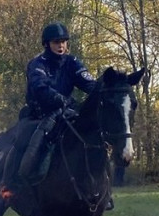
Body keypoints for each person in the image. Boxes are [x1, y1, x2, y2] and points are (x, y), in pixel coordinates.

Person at [16, 22, 99, 181]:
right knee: (31, 142)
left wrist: (104, 90)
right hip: (41, 115)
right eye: (56, 42)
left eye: (63, 41)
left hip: (66, 113)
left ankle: (100, 188)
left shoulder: (72, 62)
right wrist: (58, 98)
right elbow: (39, 87)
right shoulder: (37, 64)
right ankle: (12, 184)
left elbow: (88, 83)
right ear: (47, 44)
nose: (61, 45)